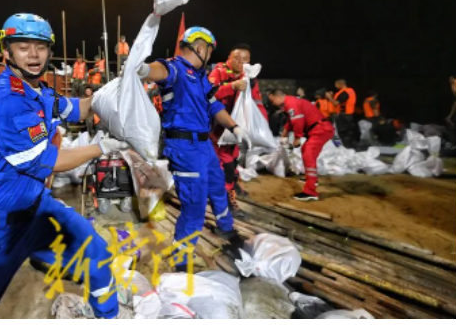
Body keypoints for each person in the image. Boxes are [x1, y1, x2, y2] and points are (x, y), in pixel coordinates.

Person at [0, 13, 127, 319]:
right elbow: (49, 162)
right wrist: (103, 147)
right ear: (7, 51)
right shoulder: (4, 100)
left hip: (36, 211)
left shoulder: (39, 91)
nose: (34, 54)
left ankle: (109, 315)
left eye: (40, 46)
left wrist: (117, 89)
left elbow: (77, 109)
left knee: (95, 255)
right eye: (23, 47)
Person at [137, 26, 251, 267]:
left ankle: (225, 227)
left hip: (204, 145)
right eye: (209, 51)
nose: (210, 56)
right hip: (184, 147)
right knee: (194, 207)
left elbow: (214, 106)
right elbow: (157, 71)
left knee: (218, 186)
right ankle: (181, 259)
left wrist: (234, 127)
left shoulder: (200, 78)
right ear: (201, 47)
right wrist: (143, 68)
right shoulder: (175, 68)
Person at [208, 43, 268, 218]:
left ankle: (232, 188)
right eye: (237, 58)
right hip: (217, 129)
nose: (241, 62)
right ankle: (226, 203)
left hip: (236, 128)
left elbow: (256, 102)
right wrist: (231, 86)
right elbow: (208, 95)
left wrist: (261, 126)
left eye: (245, 59)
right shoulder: (218, 72)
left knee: (233, 162)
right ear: (229, 57)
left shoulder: (249, 77)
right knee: (225, 165)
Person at [267, 89, 335, 202]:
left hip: (320, 129)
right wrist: (284, 135)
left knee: (309, 154)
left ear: (278, 97)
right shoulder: (290, 103)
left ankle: (310, 191)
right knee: (306, 151)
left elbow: (297, 121)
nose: (273, 104)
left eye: (272, 100)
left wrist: (297, 138)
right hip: (318, 129)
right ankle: (311, 179)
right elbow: (290, 122)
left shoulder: (291, 104)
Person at [326, 79, 357, 148]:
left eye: (336, 84)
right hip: (348, 114)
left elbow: (335, 103)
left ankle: (346, 147)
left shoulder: (345, 92)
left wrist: (329, 97)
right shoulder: (350, 91)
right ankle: (350, 146)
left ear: (341, 84)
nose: (335, 86)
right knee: (348, 132)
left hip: (343, 115)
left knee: (343, 132)